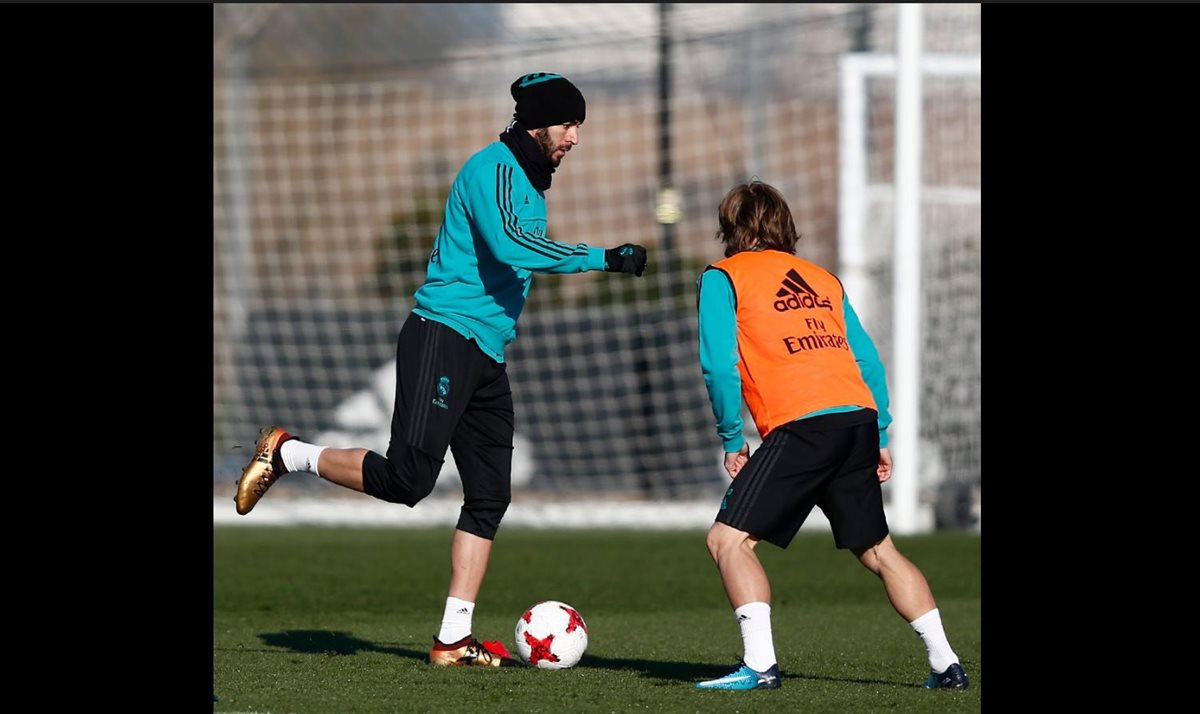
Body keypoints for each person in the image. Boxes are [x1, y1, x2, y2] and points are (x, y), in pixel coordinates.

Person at [235, 72, 648, 668]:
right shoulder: (494, 169)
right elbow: (511, 246)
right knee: (408, 480)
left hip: (487, 355)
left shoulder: (531, 181)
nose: (575, 138)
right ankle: (287, 452)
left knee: (490, 496)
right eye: (568, 125)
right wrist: (603, 257)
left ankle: (452, 639)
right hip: (443, 336)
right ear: (538, 124)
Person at [691, 180, 967, 691]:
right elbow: (866, 359)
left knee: (727, 540)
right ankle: (947, 664)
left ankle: (759, 666)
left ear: (730, 228)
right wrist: (879, 431)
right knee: (879, 550)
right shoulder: (822, 279)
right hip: (856, 422)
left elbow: (718, 366)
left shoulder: (723, 277)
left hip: (803, 426)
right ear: (784, 226)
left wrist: (733, 439)